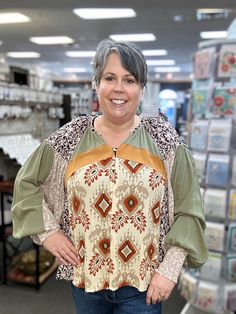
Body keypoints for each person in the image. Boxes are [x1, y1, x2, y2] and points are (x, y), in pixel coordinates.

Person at [11, 38, 208, 314]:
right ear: (96, 83)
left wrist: (170, 269)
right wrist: (49, 233)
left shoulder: (164, 141)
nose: (119, 88)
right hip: (86, 283)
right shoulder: (70, 138)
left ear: (142, 87)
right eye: (109, 77)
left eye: (129, 80)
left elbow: (189, 210)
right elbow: (26, 183)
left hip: (144, 286)